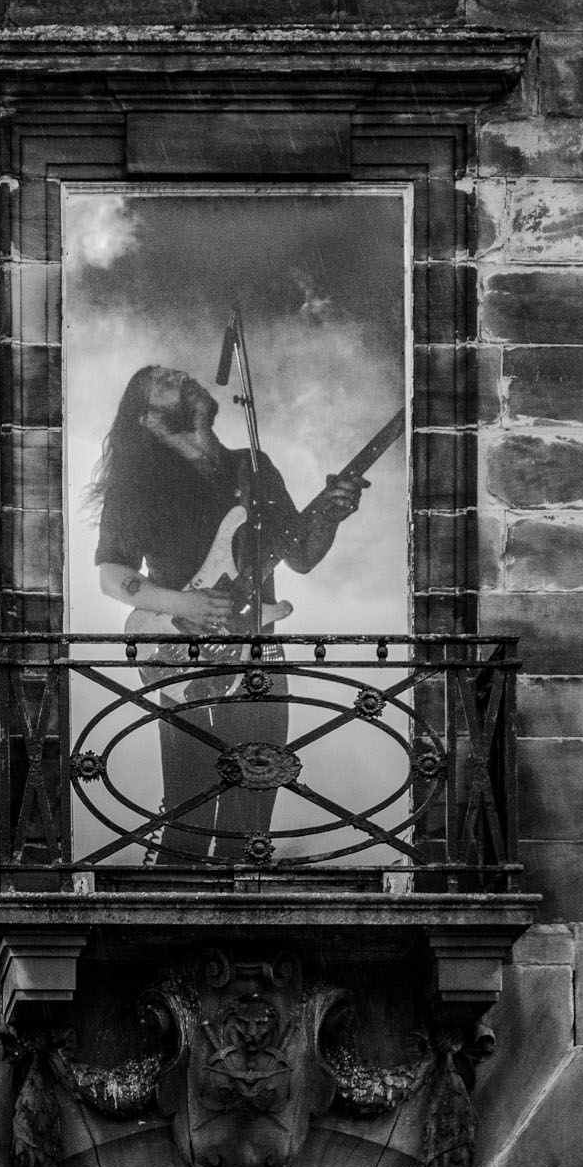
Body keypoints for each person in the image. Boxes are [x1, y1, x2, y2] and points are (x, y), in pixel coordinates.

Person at [91, 365, 366, 862]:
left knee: (258, 797)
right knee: (191, 807)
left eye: (177, 373)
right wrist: (185, 603)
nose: (181, 376)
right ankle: (172, 908)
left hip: (259, 649)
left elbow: (300, 553)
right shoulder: (142, 481)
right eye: (165, 381)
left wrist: (331, 514)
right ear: (150, 419)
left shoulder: (252, 466)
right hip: (182, 647)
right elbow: (112, 575)